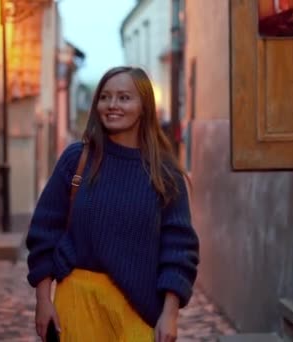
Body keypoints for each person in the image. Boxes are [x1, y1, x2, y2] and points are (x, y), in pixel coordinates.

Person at [25, 66, 200, 342]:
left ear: (144, 106)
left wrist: (170, 313)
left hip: (138, 309)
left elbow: (179, 248)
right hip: (77, 303)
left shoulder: (163, 172)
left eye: (124, 97)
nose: (112, 105)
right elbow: (44, 232)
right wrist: (43, 299)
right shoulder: (77, 160)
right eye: (105, 97)